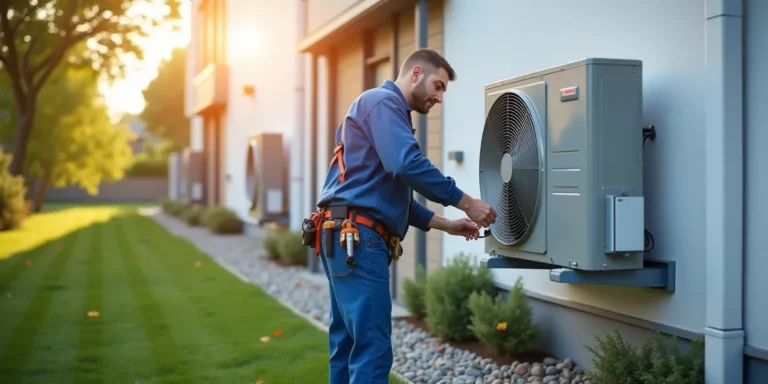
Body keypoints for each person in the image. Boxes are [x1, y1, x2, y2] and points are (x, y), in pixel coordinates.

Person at [307, 48, 497, 383]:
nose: (439, 97)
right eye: (437, 86)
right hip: (358, 239)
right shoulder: (383, 103)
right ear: (415, 74)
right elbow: (405, 165)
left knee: (347, 342)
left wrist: (445, 223)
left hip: (342, 233)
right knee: (373, 347)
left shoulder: (378, 109)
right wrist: (466, 202)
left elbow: (383, 192)